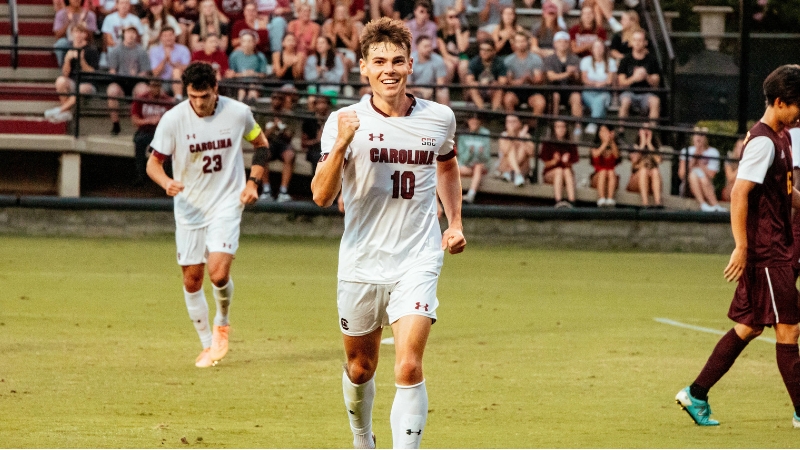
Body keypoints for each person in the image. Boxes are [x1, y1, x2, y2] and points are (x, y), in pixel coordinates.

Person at [310, 17, 465, 449]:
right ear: (363, 67)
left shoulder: (440, 118)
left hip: (417, 257)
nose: (389, 69)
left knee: (409, 367)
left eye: (397, 60)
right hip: (361, 261)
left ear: (411, 64)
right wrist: (341, 145)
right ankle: (363, 439)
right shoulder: (343, 120)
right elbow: (322, 197)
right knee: (360, 368)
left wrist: (454, 224)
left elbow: (448, 165)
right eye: (379, 61)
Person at [675, 64, 800, 428]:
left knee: (749, 327)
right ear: (779, 102)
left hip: (775, 247)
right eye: (797, 105)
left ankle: (695, 394)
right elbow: (739, 194)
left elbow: (785, 192)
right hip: (766, 252)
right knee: (788, 329)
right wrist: (741, 247)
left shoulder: (783, 136)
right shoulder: (762, 141)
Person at [145, 61, 271, 368]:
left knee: (218, 273)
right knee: (192, 280)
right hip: (189, 207)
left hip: (226, 203)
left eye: (205, 96)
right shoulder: (173, 119)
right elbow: (153, 164)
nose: (199, 103)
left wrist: (253, 182)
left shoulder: (238, 113)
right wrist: (166, 182)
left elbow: (262, 145)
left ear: (216, 89)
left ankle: (222, 323)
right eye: (193, 96)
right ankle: (206, 345)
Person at [44, 23, 100, 123]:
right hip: (73, 81)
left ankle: (61, 110)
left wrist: (82, 60)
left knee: (81, 88)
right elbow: (65, 74)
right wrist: (67, 60)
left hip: (88, 83)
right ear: (72, 34)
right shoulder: (68, 48)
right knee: (60, 81)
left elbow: (92, 72)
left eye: (81, 32)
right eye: (76, 32)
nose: (78, 35)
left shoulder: (92, 50)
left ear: (85, 35)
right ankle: (67, 112)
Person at [106, 25, 151, 135]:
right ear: (123, 34)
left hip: (136, 81)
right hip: (120, 81)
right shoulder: (116, 51)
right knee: (112, 91)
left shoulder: (142, 51)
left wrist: (135, 75)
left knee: (143, 90)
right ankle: (115, 124)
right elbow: (112, 70)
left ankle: (140, 125)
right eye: (128, 32)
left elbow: (145, 72)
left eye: (133, 33)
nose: (131, 35)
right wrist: (122, 76)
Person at [131, 76, 172, 186]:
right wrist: (149, 121)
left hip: (162, 132)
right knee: (139, 142)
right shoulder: (141, 99)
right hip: (146, 130)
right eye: (153, 86)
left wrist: (161, 122)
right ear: (149, 87)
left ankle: (166, 178)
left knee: (169, 147)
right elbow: (135, 120)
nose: (155, 89)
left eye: (158, 86)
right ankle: (141, 176)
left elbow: (173, 122)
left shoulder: (167, 101)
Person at [260, 85, 297, 202]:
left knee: (290, 155)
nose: (277, 101)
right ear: (271, 100)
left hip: (283, 144)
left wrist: (281, 128)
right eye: (274, 98)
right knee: (261, 154)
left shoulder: (289, 115)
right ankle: (266, 190)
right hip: (269, 143)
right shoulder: (263, 114)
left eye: (280, 98)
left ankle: (283, 191)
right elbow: (261, 137)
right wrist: (273, 128)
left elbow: (289, 137)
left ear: (283, 100)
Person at [543, 31, 582, 137]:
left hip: (570, 89)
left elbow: (578, 78)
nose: (562, 44)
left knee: (576, 97)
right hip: (555, 88)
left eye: (565, 42)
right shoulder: (549, 59)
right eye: (560, 42)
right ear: (555, 44)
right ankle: (553, 124)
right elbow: (551, 76)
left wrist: (574, 74)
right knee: (555, 96)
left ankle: (577, 126)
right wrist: (567, 74)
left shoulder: (574, 59)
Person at [678, 127, 726, 212]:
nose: (699, 138)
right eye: (696, 135)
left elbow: (711, 175)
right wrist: (694, 158)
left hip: (706, 184)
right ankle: (704, 204)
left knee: (702, 178)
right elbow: (682, 175)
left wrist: (700, 162)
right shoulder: (686, 150)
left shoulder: (713, 152)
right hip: (688, 187)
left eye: (702, 135)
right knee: (693, 174)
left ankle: (713, 205)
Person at [617, 29, 660, 123]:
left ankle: (652, 132)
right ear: (631, 42)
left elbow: (656, 83)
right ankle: (621, 131)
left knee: (655, 101)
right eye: (635, 40)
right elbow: (621, 82)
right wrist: (634, 78)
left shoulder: (652, 60)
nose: (637, 43)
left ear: (645, 42)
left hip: (646, 93)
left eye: (640, 40)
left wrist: (646, 76)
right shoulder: (625, 60)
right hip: (629, 92)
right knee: (625, 101)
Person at [502, 32, 545, 117]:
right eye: (518, 41)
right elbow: (509, 81)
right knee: (508, 99)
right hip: (515, 90)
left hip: (532, 90)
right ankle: (512, 123)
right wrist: (521, 81)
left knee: (540, 102)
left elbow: (538, 79)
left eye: (523, 41)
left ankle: (533, 126)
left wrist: (530, 79)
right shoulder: (508, 60)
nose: (521, 44)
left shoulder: (536, 59)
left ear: (527, 42)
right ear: (514, 43)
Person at [580, 40, 616, 135]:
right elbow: (584, 79)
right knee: (599, 105)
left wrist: (600, 84)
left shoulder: (610, 62)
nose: (598, 50)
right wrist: (596, 83)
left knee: (600, 99)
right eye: (596, 47)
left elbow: (609, 80)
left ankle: (592, 124)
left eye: (600, 47)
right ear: (592, 49)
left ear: (604, 49)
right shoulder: (586, 61)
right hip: (588, 92)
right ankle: (602, 127)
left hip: (604, 91)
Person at [539, 119, 578, 208]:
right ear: (554, 129)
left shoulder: (571, 144)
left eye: (563, 127)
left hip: (566, 173)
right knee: (559, 170)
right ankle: (558, 201)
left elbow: (571, 165)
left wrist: (566, 162)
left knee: (567, 171)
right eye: (558, 127)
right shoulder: (547, 143)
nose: (561, 129)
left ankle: (572, 201)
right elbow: (546, 164)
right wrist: (554, 161)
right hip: (551, 173)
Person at [457, 112, 491, 204]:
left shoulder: (485, 133)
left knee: (478, 166)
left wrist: (480, 154)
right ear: (468, 121)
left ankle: (471, 195)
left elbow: (486, 157)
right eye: (472, 121)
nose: (474, 123)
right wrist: (470, 153)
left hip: (480, 165)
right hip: (466, 165)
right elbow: (462, 158)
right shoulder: (463, 134)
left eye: (476, 121)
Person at [149, 26, 191, 99]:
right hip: (161, 82)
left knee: (176, 71)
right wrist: (165, 60)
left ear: (175, 36)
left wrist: (172, 64)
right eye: (165, 36)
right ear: (160, 38)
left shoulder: (183, 49)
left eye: (170, 35)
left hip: (180, 82)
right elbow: (155, 72)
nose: (168, 38)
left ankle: (178, 98)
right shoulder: (154, 51)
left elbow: (187, 68)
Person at [227, 30, 269, 102]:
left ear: (254, 42)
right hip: (239, 83)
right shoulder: (234, 56)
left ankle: (252, 105)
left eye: (249, 41)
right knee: (242, 89)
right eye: (244, 41)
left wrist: (254, 74)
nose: (246, 44)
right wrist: (243, 74)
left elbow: (263, 74)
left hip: (255, 82)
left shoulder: (260, 56)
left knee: (252, 88)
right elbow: (230, 74)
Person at [52, 0, 97, 67]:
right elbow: (58, 36)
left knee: (92, 48)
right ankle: (63, 68)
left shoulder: (90, 15)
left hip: (83, 42)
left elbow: (91, 38)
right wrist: (69, 22)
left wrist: (82, 22)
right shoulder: (60, 14)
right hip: (68, 42)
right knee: (60, 44)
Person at [465, 39, 507, 111]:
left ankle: (495, 112)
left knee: (499, 89)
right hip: (479, 89)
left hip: (493, 89)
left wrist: (492, 84)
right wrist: (480, 84)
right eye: (482, 49)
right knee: (472, 88)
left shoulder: (499, 62)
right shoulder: (474, 61)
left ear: (493, 51)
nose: (484, 52)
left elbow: (503, 81)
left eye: (487, 50)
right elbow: (469, 81)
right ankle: (482, 110)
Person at [626, 126, 663, 208]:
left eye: (648, 129)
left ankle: (658, 202)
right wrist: (642, 144)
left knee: (655, 171)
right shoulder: (634, 146)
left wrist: (649, 144)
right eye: (644, 129)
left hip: (652, 180)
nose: (646, 132)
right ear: (639, 132)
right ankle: (645, 202)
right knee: (644, 171)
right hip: (636, 179)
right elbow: (634, 160)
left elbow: (658, 160)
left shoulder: (655, 147)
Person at [322, 2, 361, 76]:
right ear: (335, 13)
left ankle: (344, 84)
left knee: (343, 60)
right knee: (337, 58)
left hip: (348, 53)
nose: (341, 14)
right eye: (339, 12)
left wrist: (342, 36)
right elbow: (329, 45)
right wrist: (334, 34)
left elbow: (354, 47)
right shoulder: (329, 26)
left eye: (343, 12)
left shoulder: (352, 27)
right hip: (334, 53)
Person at [408, 36, 449, 105]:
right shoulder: (410, 60)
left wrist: (431, 91)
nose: (429, 49)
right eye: (426, 46)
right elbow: (407, 83)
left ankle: (445, 115)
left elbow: (440, 83)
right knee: (406, 91)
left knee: (443, 91)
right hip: (414, 89)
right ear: (418, 47)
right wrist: (421, 90)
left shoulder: (438, 60)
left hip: (433, 90)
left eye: (430, 46)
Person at [497, 114, 534, 187]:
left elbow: (532, 153)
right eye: (508, 122)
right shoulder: (504, 135)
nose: (511, 124)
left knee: (523, 148)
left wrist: (522, 139)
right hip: (505, 166)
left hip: (521, 168)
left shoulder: (526, 136)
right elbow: (505, 151)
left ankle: (512, 172)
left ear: (519, 123)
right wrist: (511, 137)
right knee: (511, 149)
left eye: (513, 122)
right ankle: (517, 173)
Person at [436, 7, 469, 83]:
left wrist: (457, 30)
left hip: (462, 56)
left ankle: (465, 93)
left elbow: (462, 49)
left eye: (456, 16)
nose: (454, 19)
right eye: (451, 17)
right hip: (447, 57)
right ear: (445, 19)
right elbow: (444, 53)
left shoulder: (464, 30)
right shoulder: (441, 32)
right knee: (449, 66)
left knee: (463, 67)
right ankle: (445, 91)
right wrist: (453, 59)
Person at [302, 94, 332, 175]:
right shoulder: (309, 120)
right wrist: (316, 141)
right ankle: (317, 186)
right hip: (315, 150)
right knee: (318, 157)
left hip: (331, 149)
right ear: (315, 106)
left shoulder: (334, 119)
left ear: (328, 105)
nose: (321, 106)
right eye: (318, 103)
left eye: (323, 103)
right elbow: (304, 143)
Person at [590, 124, 620, 207]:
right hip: (598, 175)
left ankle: (610, 199)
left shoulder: (615, 145)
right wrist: (605, 143)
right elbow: (595, 155)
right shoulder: (594, 145)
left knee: (610, 172)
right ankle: (601, 199)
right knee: (603, 172)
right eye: (602, 131)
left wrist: (611, 141)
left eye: (606, 131)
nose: (604, 133)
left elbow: (617, 156)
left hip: (611, 175)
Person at [721, 137, 744, 203]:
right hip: (730, 189)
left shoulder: (750, 160)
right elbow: (730, 177)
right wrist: (743, 164)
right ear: (735, 148)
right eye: (739, 148)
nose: (741, 150)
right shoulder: (729, 157)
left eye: (743, 148)